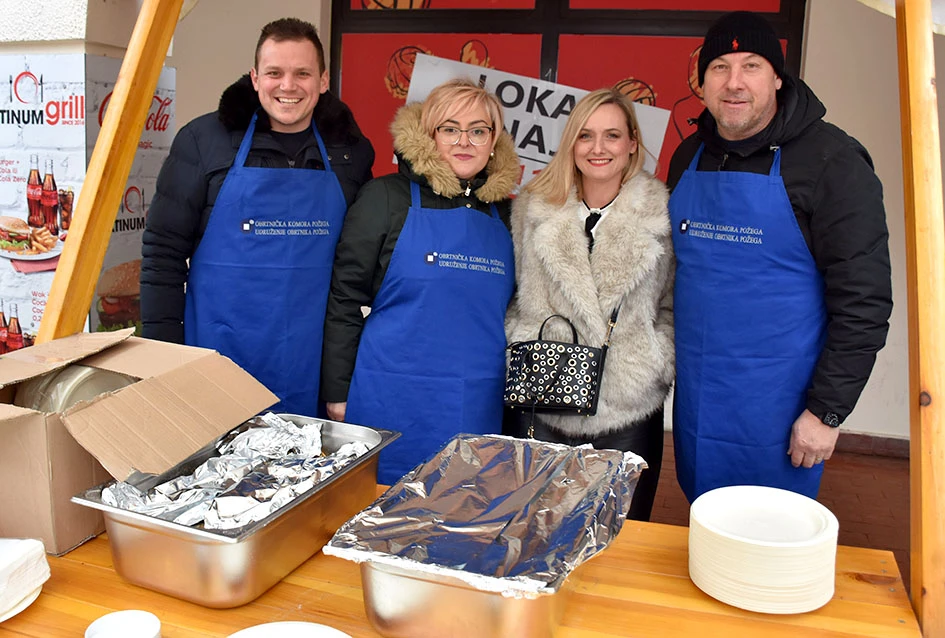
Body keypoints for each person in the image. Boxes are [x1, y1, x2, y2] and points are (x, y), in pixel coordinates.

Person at [667, 11, 893, 502]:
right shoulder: (688, 157)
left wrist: (827, 412)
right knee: (704, 527)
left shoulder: (832, 162)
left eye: (751, 65)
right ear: (701, 82)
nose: (734, 82)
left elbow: (864, 302)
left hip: (785, 412)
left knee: (770, 544)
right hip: (699, 405)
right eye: (719, 67)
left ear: (776, 77)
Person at [141, 18, 374, 417]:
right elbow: (162, 256)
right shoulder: (203, 142)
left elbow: (361, 267)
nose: (288, 86)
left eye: (302, 73)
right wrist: (164, 362)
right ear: (254, 78)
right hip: (215, 361)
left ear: (322, 80)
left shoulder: (350, 153)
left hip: (312, 366)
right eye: (274, 73)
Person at [321, 78, 520, 485]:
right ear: (430, 135)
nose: (464, 141)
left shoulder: (509, 216)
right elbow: (344, 300)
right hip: (389, 400)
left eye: (478, 131)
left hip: (477, 402)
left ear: (494, 141)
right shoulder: (386, 198)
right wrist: (337, 391)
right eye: (450, 129)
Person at [504, 88, 674, 522]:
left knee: (621, 535)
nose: (598, 148)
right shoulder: (532, 206)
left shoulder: (663, 213)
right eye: (585, 136)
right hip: (545, 395)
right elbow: (513, 291)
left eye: (612, 135)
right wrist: (520, 338)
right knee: (536, 527)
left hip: (628, 404)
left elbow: (671, 302)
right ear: (571, 144)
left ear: (632, 142)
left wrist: (657, 358)